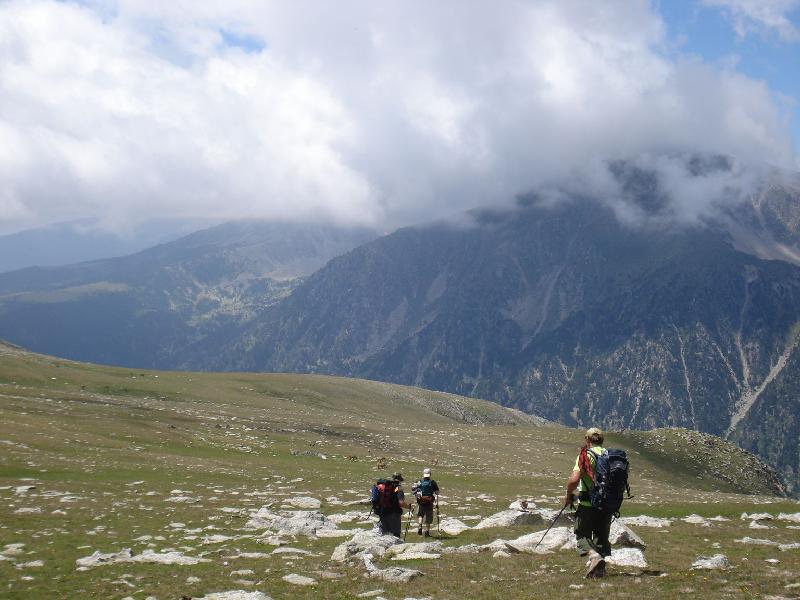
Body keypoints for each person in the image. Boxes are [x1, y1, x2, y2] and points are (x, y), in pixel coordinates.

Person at [563, 427, 611, 578]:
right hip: (607, 504)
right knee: (601, 537)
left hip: (588, 504)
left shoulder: (585, 456)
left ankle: (593, 556)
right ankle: (599, 571)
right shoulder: (610, 455)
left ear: (587, 440)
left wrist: (568, 495)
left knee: (582, 535)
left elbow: (574, 480)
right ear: (602, 440)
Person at [376, 472, 406, 537]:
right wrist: (409, 506)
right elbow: (401, 503)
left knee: (383, 535)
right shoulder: (398, 488)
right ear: (400, 480)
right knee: (396, 535)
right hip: (394, 514)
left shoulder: (386, 486)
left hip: (383, 512)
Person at [411, 467, 440, 536]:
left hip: (421, 501)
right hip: (429, 502)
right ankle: (427, 532)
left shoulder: (420, 482)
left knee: (420, 515)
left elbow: (413, 490)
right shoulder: (433, 482)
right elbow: (437, 493)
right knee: (428, 517)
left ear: (423, 474)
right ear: (430, 474)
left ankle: (420, 525)